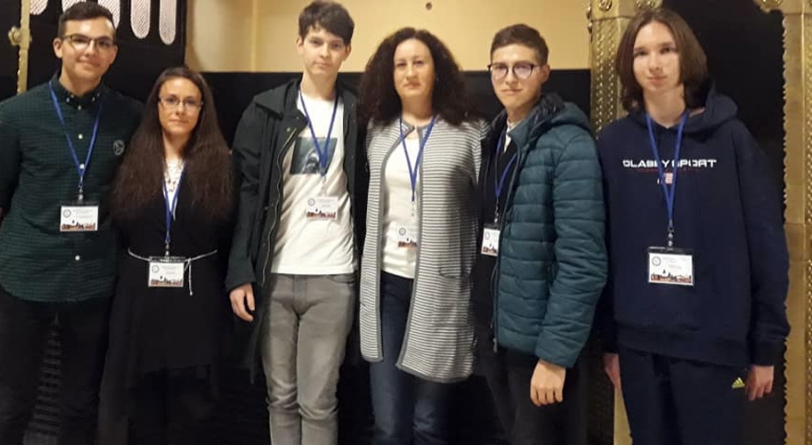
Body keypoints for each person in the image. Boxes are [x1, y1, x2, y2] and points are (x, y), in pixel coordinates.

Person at [597, 8, 790, 445]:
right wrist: (610, 342)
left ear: (687, 56)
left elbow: (766, 244)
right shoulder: (613, 144)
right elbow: (602, 246)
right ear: (629, 63)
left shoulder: (729, 138)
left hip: (714, 347)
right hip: (639, 346)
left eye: (666, 49)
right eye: (642, 52)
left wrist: (765, 347)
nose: (655, 63)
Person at [0, 3, 141, 444]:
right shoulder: (17, 114)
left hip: (95, 281)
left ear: (113, 53)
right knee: (11, 404)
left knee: (81, 405)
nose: (90, 50)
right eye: (80, 40)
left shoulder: (130, 117)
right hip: (26, 277)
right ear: (59, 46)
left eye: (102, 42)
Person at [225, 2, 364, 444]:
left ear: (347, 52)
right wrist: (239, 271)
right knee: (280, 397)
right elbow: (245, 195)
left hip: (333, 276)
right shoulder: (265, 111)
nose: (324, 52)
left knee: (317, 401)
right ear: (300, 44)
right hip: (276, 274)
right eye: (316, 42)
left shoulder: (359, 114)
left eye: (335, 45)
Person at [471, 24, 607, 445]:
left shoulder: (568, 144)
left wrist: (554, 356)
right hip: (499, 337)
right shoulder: (495, 138)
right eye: (500, 67)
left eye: (523, 67)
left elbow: (583, 262)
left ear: (544, 71)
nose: (509, 78)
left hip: (540, 348)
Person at [357, 27, 483, 445]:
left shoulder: (469, 133)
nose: (410, 72)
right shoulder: (378, 132)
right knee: (388, 425)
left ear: (437, 70)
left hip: (442, 290)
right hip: (387, 288)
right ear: (389, 74)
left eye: (419, 62)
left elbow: (487, 210)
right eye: (400, 65)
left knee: (428, 425)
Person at [98, 67, 235, 444]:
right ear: (156, 105)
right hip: (140, 298)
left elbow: (228, 233)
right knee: (141, 407)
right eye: (171, 100)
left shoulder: (223, 165)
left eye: (190, 102)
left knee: (192, 407)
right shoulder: (130, 161)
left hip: (196, 297)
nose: (180, 110)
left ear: (202, 109)